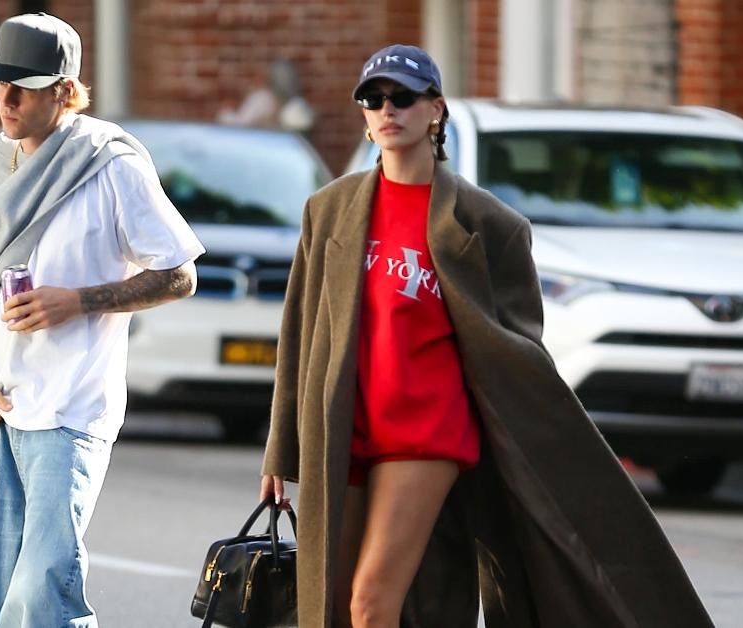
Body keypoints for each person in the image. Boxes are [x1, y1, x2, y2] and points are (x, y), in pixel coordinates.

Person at [259, 44, 716, 628]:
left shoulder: (488, 224)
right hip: (344, 427)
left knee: (372, 604)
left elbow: (518, 349)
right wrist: (280, 446)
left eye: (402, 97)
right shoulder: (330, 211)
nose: (386, 110)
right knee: (330, 606)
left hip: (425, 434)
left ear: (436, 110)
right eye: (373, 100)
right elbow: (298, 331)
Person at [0, 13, 204, 628]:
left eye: (26, 86)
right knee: (1, 584)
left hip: (72, 407)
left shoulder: (109, 165)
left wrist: (79, 300)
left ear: (65, 90)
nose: (6, 100)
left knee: (43, 586)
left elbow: (179, 273)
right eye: (0, 83)